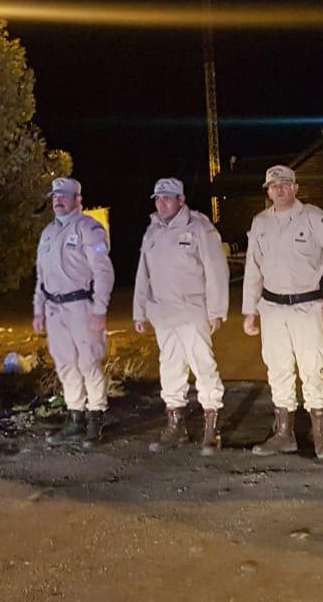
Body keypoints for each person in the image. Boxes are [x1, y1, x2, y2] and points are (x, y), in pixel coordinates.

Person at [242, 165, 323, 460]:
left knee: (311, 368)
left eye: (284, 185)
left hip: (306, 307)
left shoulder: (314, 218)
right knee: (278, 370)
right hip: (272, 308)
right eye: (272, 186)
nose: (278, 190)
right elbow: (253, 269)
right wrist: (249, 311)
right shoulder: (260, 223)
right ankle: (283, 434)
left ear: (295, 187)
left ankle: (320, 435)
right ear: (267, 191)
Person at [133, 177, 230, 456]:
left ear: (181, 200)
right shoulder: (152, 232)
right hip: (163, 314)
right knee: (170, 368)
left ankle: (212, 430)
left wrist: (217, 311)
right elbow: (144, 275)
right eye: (158, 198)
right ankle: (175, 426)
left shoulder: (199, 228)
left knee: (203, 366)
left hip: (192, 311)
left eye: (167, 198)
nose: (161, 202)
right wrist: (139, 311)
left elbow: (216, 270)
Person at [33, 177, 116, 448]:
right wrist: (38, 310)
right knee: (66, 365)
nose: (58, 200)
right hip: (55, 310)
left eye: (64, 195)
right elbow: (41, 277)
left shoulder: (88, 229)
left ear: (77, 200)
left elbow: (103, 271)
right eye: (55, 195)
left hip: (82, 307)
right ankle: (75, 418)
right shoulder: (47, 233)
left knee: (88, 362)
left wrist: (100, 309)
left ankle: (96, 419)